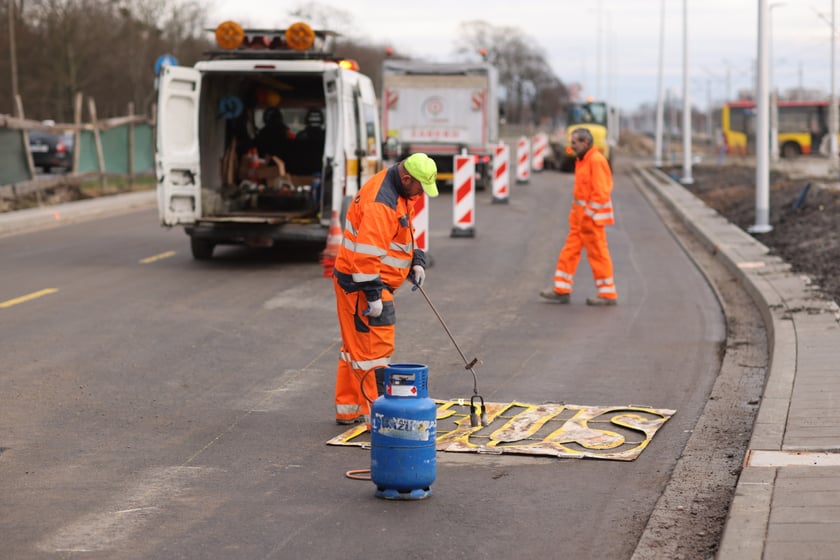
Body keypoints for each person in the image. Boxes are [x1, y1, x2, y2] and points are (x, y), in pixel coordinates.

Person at [332, 153, 439, 425]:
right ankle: (376, 418)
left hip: (364, 282)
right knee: (374, 353)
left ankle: (349, 408)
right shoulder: (382, 203)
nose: (421, 195)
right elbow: (366, 257)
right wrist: (373, 295)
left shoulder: (398, 189)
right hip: (365, 285)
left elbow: (401, 232)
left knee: (354, 349)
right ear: (406, 178)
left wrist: (416, 260)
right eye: (420, 188)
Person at [541, 127, 618, 306]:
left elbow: (601, 192)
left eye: (574, 143)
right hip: (579, 219)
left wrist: (589, 214)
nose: (571, 146)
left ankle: (607, 294)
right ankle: (561, 290)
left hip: (591, 220)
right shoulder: (583, 160)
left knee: (598, 255)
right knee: (569, 253)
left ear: (585, 143)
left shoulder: (596, 161)